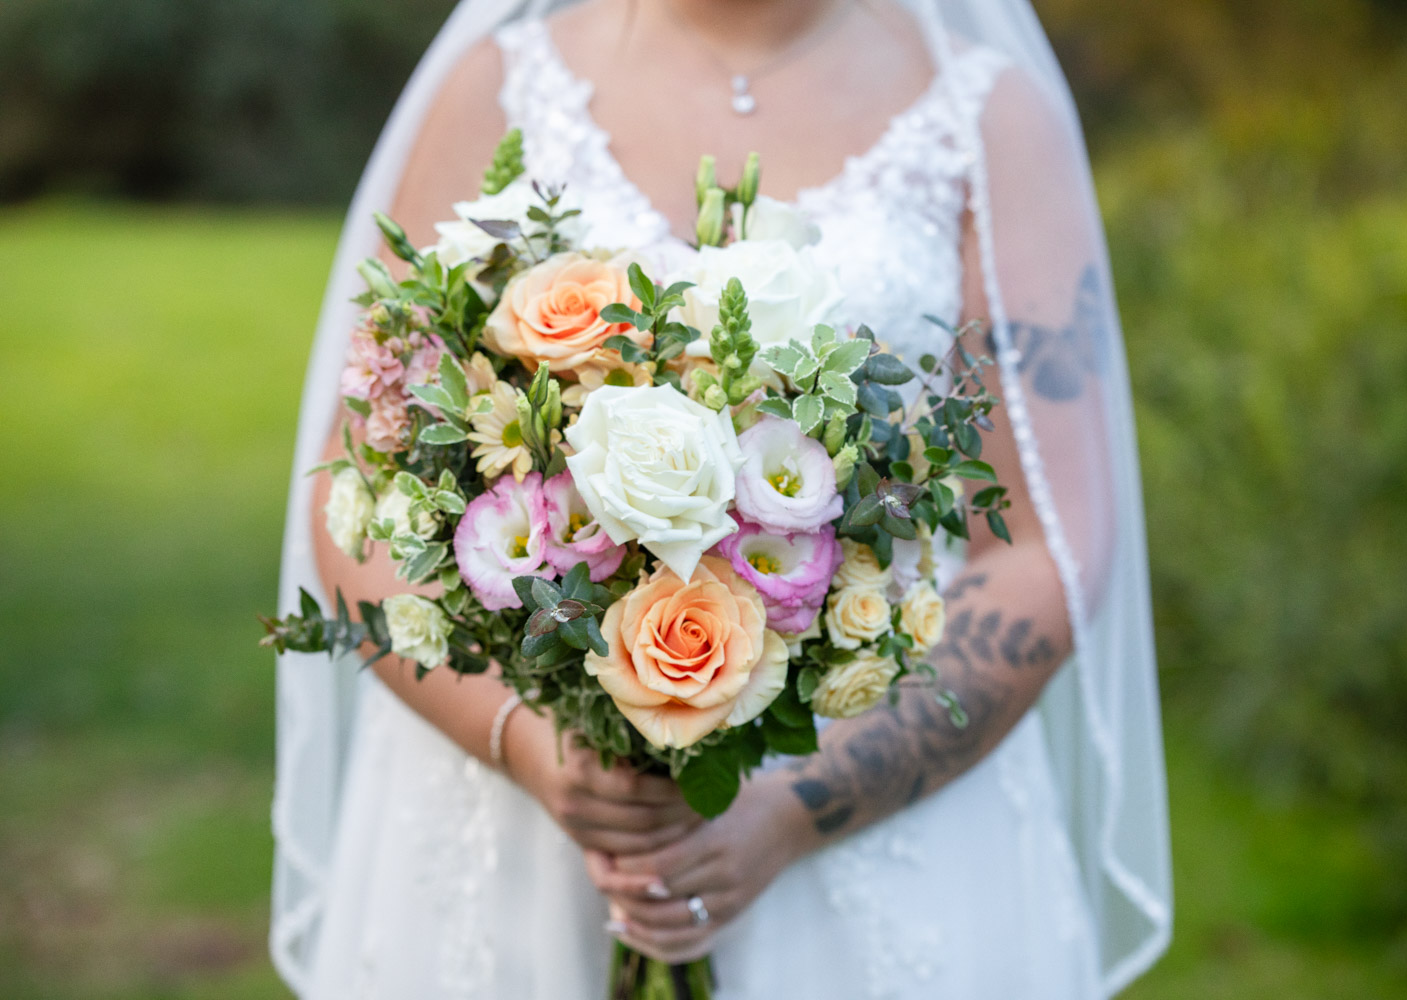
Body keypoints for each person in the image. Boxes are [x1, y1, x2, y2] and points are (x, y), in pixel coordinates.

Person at [271, 0, 1172, 996]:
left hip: (870, 807)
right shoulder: (495, 88)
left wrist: (793, 811)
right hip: (523, 830)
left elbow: (1046, 543)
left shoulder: (988, 117)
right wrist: (535, 749)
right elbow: (363, 491)